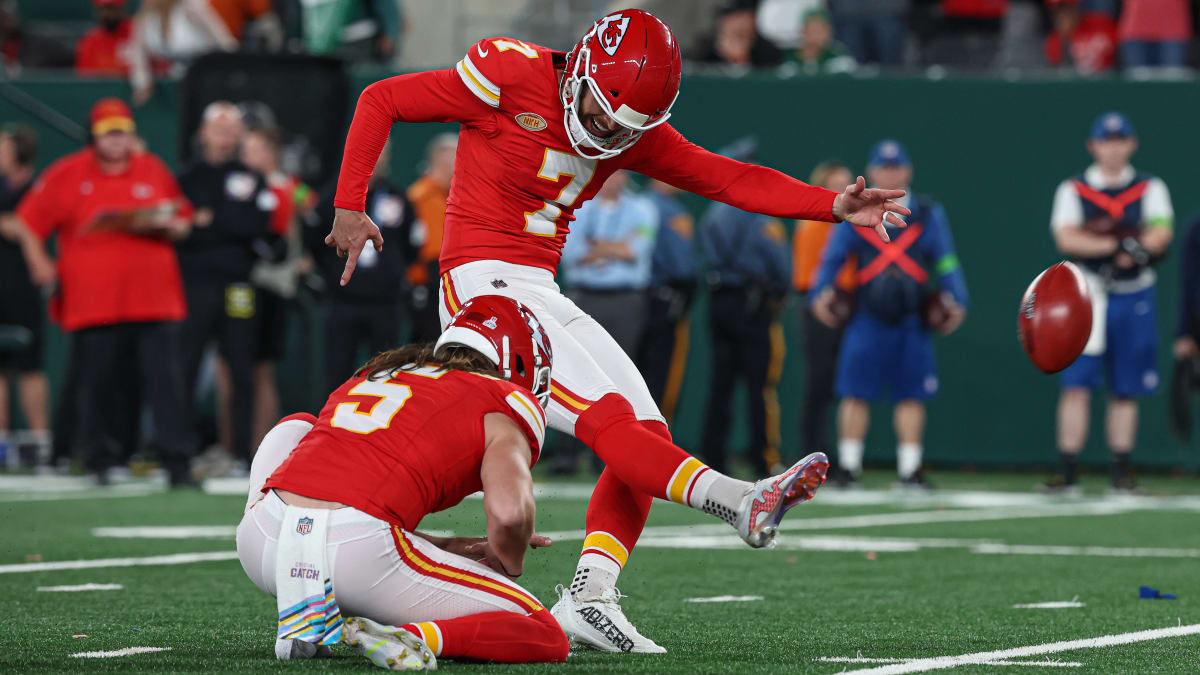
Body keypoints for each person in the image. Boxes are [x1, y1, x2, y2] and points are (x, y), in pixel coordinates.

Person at [325, 8, 906, 652]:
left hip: (540, 287)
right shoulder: (508, 73)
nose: (605, 133)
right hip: (482, 284)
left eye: (624, 126)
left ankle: (590, 596)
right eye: (601, 112)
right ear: (580, 67)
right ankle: (741, 500)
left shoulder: (631, 133)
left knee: (645, 426)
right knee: (611, 422)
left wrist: (829, 205)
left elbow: (726, 177)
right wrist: (350, 203)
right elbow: (381, 98)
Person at [237, 295, 568, 667]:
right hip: (357, 558)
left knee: (297, 425)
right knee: (543, 631)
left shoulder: (382, 369)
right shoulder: (503, 400)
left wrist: (446, 546)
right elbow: (509, 516)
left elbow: (339, 500)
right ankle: (410, 634)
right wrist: (508, 560)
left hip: (262, 542)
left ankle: (305, 615)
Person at [4, 98, 195, 486]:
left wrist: (169, 226)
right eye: (109, 133)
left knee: (166, 386)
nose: (117, 141)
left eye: (123, 132)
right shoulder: (68, 173)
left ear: (132, 135)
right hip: (95, 302)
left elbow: (183, 219)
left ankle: (179, 464)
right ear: (95, 135)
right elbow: (27, 222)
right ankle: (99, 460)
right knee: (97, 384)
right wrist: (39, 261)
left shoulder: (152, 169)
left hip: (155, 299)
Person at [811, 140, 968, 488]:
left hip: (912, 317)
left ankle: (909, 470)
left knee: (911, 394)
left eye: (896, 167)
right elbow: (833, 257)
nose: (890, 173)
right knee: (855, 392)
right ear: (873, 171)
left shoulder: (927, 214)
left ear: (907, 172)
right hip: (867, 315)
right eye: (884, 167)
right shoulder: (856, 211)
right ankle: (849, 468)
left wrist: (958, 298)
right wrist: (819, 291)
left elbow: (946, 260)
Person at [1047, 112, 1172, 494]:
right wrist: (1120, 245)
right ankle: (1069, 470)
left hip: (1133, 293)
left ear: (1131, 144)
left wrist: (1138, 248)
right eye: (1107, 140)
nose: (1113, 148)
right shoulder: (1074, 189)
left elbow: (1160, 232)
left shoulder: (1150, 187)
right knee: (1077, 384)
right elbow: (1067, 238)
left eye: (1121, 140)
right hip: (1088, 295)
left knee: (1126, 387)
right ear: (1094, 145)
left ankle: (1121, 471)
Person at [176, 101, 278, 474]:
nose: (227, 136)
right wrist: (222, 224)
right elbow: (180, 226)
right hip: (195, 284)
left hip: (239, 286)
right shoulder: (186, 178)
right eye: (220, 128)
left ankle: (240, 454)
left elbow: (255, 224)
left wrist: (207, 222)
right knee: (184, 364)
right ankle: (180, 449)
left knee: (241, 365)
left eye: (233, 129)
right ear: (203, 133)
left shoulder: (252, 178)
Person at [698, 139, 793, 476]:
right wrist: (781, 290)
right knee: (759, 386)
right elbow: (779, 264)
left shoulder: (712, 213)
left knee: (720, 386)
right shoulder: (757, 212)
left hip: (720, 300)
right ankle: (762, 458)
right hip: (752, 305)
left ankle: (713, 456)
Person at [310, 138, 415, 395]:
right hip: (343, 299)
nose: (378, 158)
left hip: (384, 302)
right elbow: (313, 237)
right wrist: (329, 274)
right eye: (373, 151)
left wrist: (394, 274)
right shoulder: (334, 195)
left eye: (383, 153)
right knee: (337, 374)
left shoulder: (398, 198)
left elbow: (411, 245)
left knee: (385, 379)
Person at [793, 160, 856, 462]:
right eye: (835, 184)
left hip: (843, 303)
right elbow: (810, 277)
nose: (842, 190)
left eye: (846, 183)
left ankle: (830, 452)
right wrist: (823, 300)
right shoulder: (816, 222)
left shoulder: (849, 221)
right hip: (821, 306)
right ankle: (813, 451)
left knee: (836, 384)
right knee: (819, 383)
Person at [0, 125, 48, 466]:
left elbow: (29, 226)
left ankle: (38, 442)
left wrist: (18, 225)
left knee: (31, 364)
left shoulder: (39, 186)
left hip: (26, 285)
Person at [636, 178, 698, 424]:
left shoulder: (647, 204)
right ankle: (656, 435)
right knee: (660, 376)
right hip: (663, 294)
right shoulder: (651, 207)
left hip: (649, 296)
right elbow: (682, 267)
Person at [406, 133, 457, 343]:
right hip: (425, 281)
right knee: (425, 345)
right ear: (440, 157)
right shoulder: (418, 196)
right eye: (456, 154)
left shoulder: (454, 196)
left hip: (449, 278)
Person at [1043, 0, 1117, 74]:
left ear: (1075, 8)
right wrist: (1065, 39)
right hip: (1077, 84)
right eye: (1059, 12)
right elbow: (1061, 73)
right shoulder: (1055, 41)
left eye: (1067, 10)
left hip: (1106, 80)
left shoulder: (1101, 23)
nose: (1064, 16)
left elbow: (1119, 56)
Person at [782, 9, 857, 74]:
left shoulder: (839, 56)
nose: (817, 36)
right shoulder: (791, 60)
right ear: (803, 32)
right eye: (813, 31)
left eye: (822, 31)